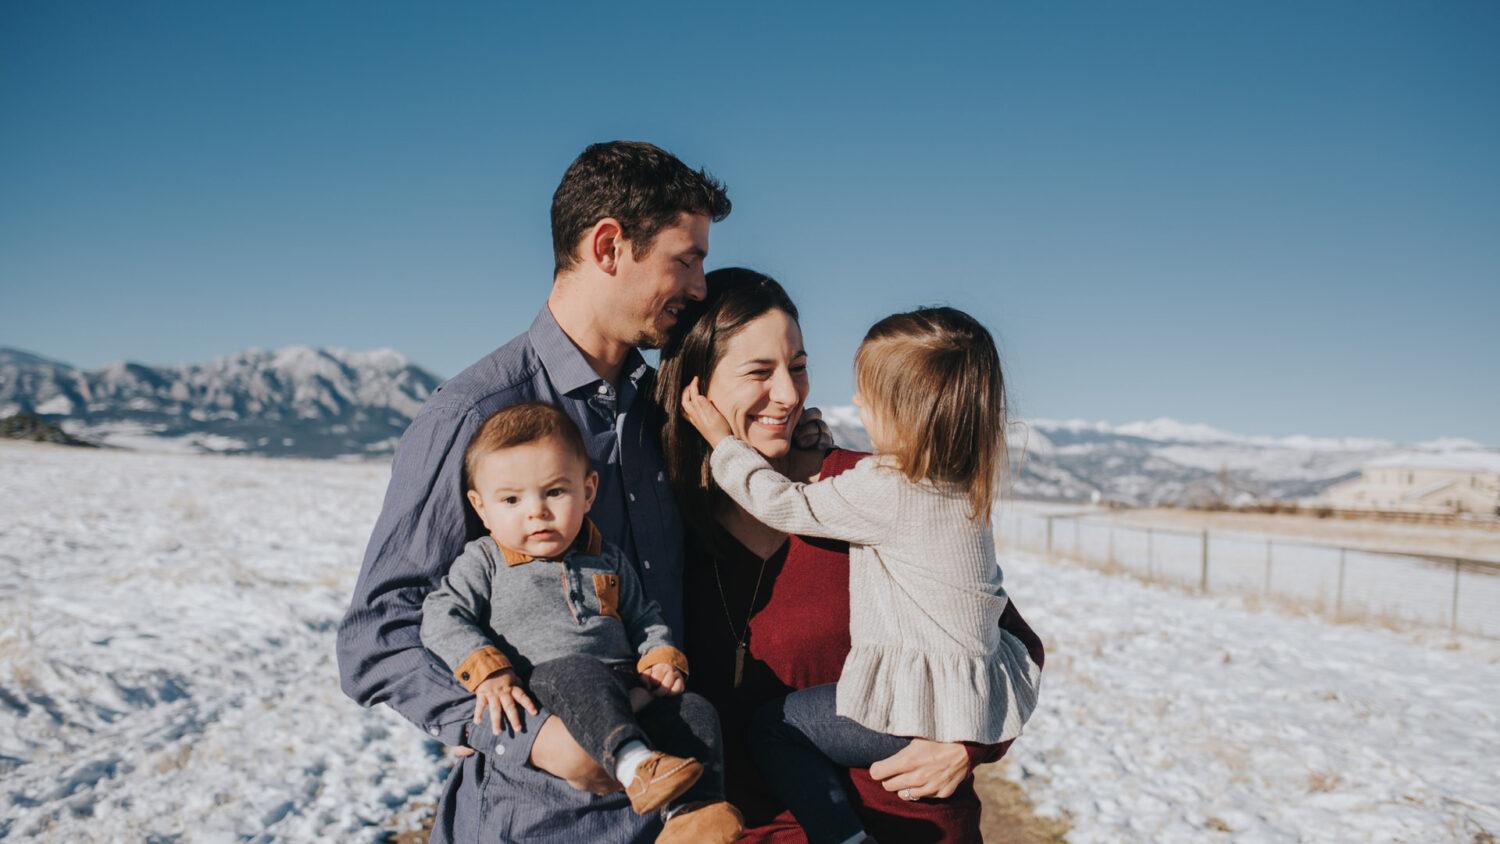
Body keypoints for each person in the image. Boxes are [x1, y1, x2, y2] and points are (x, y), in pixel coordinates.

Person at [337, 140, 747, 843]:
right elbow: (377, 633)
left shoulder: (664, 412)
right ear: (610, 245)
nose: (701, 287)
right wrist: (528, 738)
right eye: (687, 259)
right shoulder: (475, 414)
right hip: (537, 822)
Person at [655, 269, 1046, 843]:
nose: (789, 394)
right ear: (697, 391)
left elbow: (1008, 639)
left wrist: (967, 744)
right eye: (761, 372)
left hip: (907, 828)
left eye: (799, 366)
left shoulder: (866, 485)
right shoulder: (663, 513)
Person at [418, 402, 743, 841]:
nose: (536, 511)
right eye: (511, 500)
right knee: (578, 670)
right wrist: (488, 671)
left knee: (694, 711)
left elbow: (643, 616)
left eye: (555, 492)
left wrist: (658, 655)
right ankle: (633, 764)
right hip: (550, 687)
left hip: (625, 688)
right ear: (481, 507)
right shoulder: (486, 561)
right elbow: (442, 613)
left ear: (588, 491)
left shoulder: (606, 558)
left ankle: (693, 814)